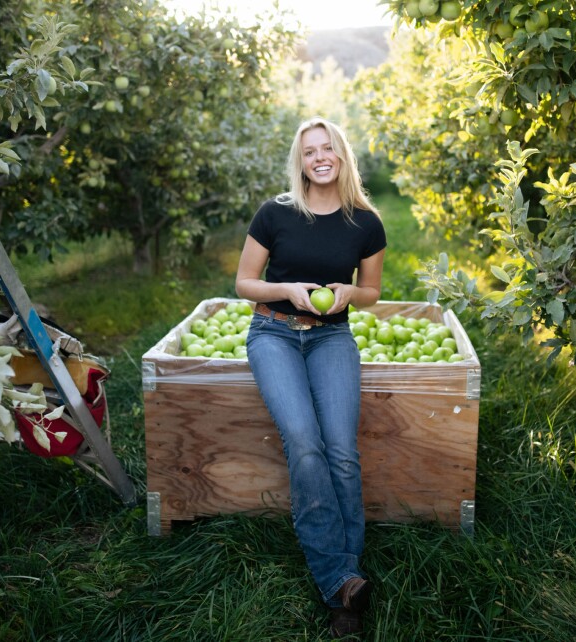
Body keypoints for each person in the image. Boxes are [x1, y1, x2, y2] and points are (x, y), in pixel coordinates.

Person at [235, 117, 386, 638]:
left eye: (327, 149)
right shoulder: (275, 213)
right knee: (304, 443)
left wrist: (349, 295)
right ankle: (341, 581)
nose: (319, 157)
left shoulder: (366, 222)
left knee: (341, 451)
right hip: (273, 333)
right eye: (309, 151)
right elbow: (244, 283)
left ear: (341, 155)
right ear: (299, 161)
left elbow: (371, 292)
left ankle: (345, 577)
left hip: (331, 337)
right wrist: (288, 289)